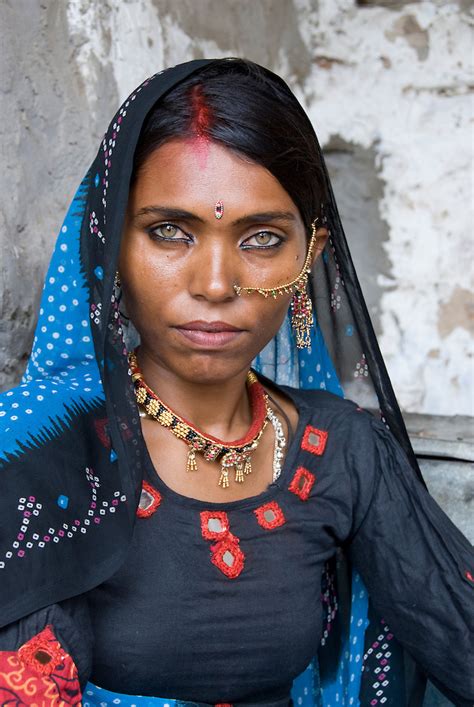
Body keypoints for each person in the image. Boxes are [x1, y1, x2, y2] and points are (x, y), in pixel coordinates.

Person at [0, 58, 472, 707]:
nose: (217, 284)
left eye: (261, 237)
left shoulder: (338, 446)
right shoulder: (40, 454)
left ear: (311, 253)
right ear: (108, 243)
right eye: (170, 231)